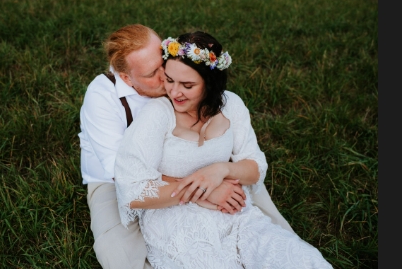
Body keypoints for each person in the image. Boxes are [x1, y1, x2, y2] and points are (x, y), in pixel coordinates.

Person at [80, 24, 295, 268]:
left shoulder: (178, 81)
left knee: (270, 228)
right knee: (119, 255)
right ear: (127, 78)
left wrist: (218, 174)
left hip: (199, 164)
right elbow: (122, 175)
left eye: (164, 63)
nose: (166, 79)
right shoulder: (102, 97)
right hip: (113, 181)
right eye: (152, 74)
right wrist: (204, 189)